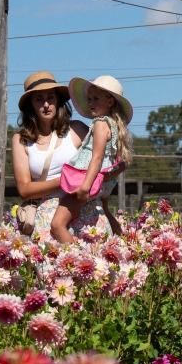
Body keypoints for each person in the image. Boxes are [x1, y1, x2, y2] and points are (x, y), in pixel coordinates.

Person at [10, 71, 122, 242]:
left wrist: (105, 206)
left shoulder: (77, 130)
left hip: (88, 216)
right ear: (30, 105)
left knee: (92, 266)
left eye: (51, 98)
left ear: (58, 101)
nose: (46, 104)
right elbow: (24, 191)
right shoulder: (21, 140)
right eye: (39, 99)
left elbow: (112, 161)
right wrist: (69, 179)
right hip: (46, 221)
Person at [51, 75, 133, 244]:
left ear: (110, 102)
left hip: (86, 180)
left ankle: (75, 260)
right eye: (89, 99)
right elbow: (112, 162)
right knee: (105, 213)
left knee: (57, 224)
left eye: (96, 99)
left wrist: (85, 187)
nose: (91, 103)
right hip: (103, 183)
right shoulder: (114, 125)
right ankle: (123, 241)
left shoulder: (101, 124)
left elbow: (96, 157)